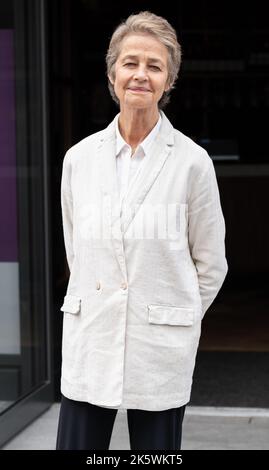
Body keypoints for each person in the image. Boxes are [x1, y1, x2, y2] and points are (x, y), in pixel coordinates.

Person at [56, 11, 228, 450]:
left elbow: (211, 265)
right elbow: (78, 250)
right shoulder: (78, 159)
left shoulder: (192, 163)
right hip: (92, 336)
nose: (140, 75)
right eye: (130, 62)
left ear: (169, 80)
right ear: (113, 71)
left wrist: (178, 312)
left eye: (154, 66)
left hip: (160, 346)